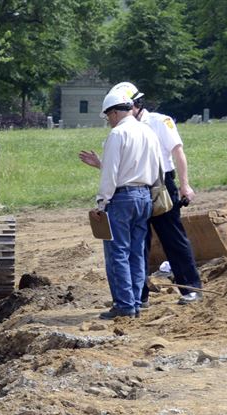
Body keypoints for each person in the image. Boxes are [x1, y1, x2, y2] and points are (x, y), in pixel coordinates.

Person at [80, 83, 203, 305]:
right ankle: (140, 295)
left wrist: (185, 185)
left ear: (135, 104)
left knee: (172, 237)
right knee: (140, 243)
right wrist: (101, 164)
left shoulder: (158, 122)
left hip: (161, 182)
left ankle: (191, 288)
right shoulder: (133, 129)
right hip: (143, 185)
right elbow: (127, 167)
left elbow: (177, 152)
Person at [90, 83, 161, 319]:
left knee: (117, 253)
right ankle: (137, 302)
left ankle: (124, 305)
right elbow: (156, 167)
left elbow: (110, 172)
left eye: (108, 116)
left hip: (121, 199)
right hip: (145, 196)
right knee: (137, 252)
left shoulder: (118, 133)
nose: (108, 121)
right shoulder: (148, 132)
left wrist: (102, 203)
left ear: (114, 112)